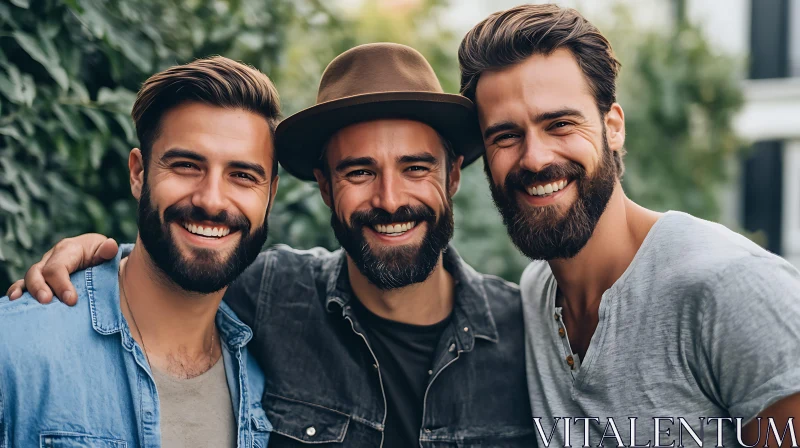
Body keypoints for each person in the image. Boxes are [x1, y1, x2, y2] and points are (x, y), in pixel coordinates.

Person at [7, 43, 535, 447]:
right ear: (324, 186)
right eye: (358, 171)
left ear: (453, 177)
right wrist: (100, 256)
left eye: (416, 168)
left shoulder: (528, 333)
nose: (390, 199)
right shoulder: (272, 296)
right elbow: (184, 257)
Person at [458, 4, 800, 447]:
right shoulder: (534, 294)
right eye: (505, 136)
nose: (535, 158)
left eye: (560, 124)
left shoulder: (728, 288)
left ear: (613, 127)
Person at [0, 56, 278, 447]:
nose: (212, 201)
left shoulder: (269, 376)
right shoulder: (14, 350)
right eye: (186, 165)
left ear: (271, 194)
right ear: (138, 172)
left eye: (243, 176)